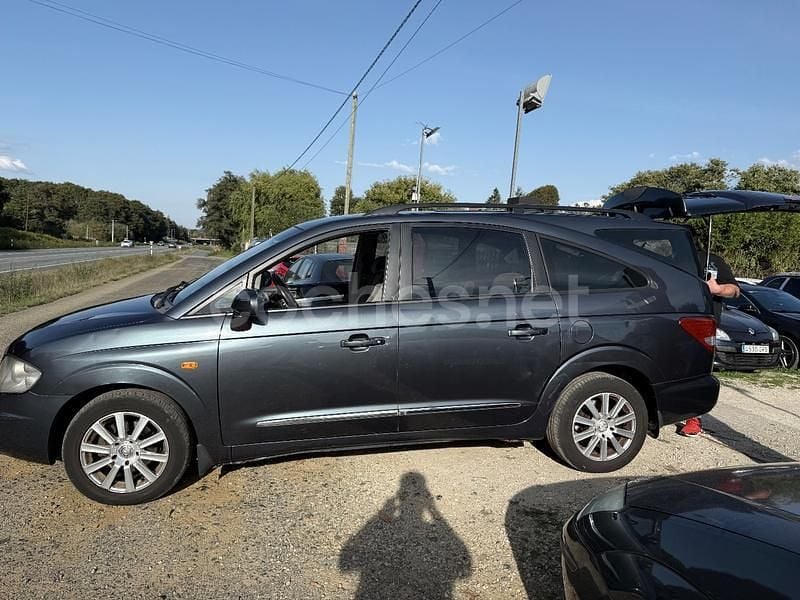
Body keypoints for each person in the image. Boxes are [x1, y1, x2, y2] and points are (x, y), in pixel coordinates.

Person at [679, 251, 740, 437]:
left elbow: (735, 290)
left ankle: (693, 418)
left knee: (697, 371)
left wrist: (718, 290)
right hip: (673, 318)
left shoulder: (712, 260)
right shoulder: (671, 256)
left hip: (705, 325)